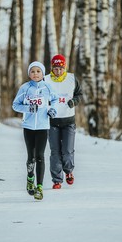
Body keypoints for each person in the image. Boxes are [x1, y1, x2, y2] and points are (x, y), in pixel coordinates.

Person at [12, 61, 59, 200]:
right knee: (31, 157)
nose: (35, 74)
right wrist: (28, 108)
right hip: (28, 127)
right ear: (29, 74)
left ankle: (39, 187)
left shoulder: (48, 87)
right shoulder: (25, 88)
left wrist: (52, 110)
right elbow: (15, 105)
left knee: (40, 156)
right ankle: (30, 177)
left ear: (43, 73)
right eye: (32, 71)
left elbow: (55, 100)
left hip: (43, 127)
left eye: (38, 71)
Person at [44, 54, 83, 189]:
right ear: (52, 68)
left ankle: (69, 171)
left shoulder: (72, 78)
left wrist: (74, 101)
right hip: (52, 122)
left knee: (67, 150)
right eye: (55, 68)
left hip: (68, 121)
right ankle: (56, 179)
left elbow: (79, 94)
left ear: (64, 67)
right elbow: (41, 97)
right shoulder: (46, 80)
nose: (58, 71)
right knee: (55, 152)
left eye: (61, 68)